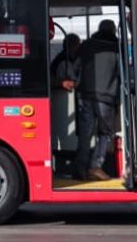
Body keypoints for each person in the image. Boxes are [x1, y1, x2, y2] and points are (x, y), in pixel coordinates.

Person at [75, 20, 121, 181]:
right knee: (105, 132)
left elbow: (75, 67)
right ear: (113, 30)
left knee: (85, 133)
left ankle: (80, 168)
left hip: (85, 95)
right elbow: (121, 72)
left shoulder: (86, 45)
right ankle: (96, 166)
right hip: (106, 96)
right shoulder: (116, 47)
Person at [49, 33, 82, 176]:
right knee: (64, 137)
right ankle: (63, 167)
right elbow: (51, 79)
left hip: (70, 104)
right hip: (62, 104)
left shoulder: (71, 60)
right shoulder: (61, 61)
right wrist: (62, 83)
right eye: (75, 45)